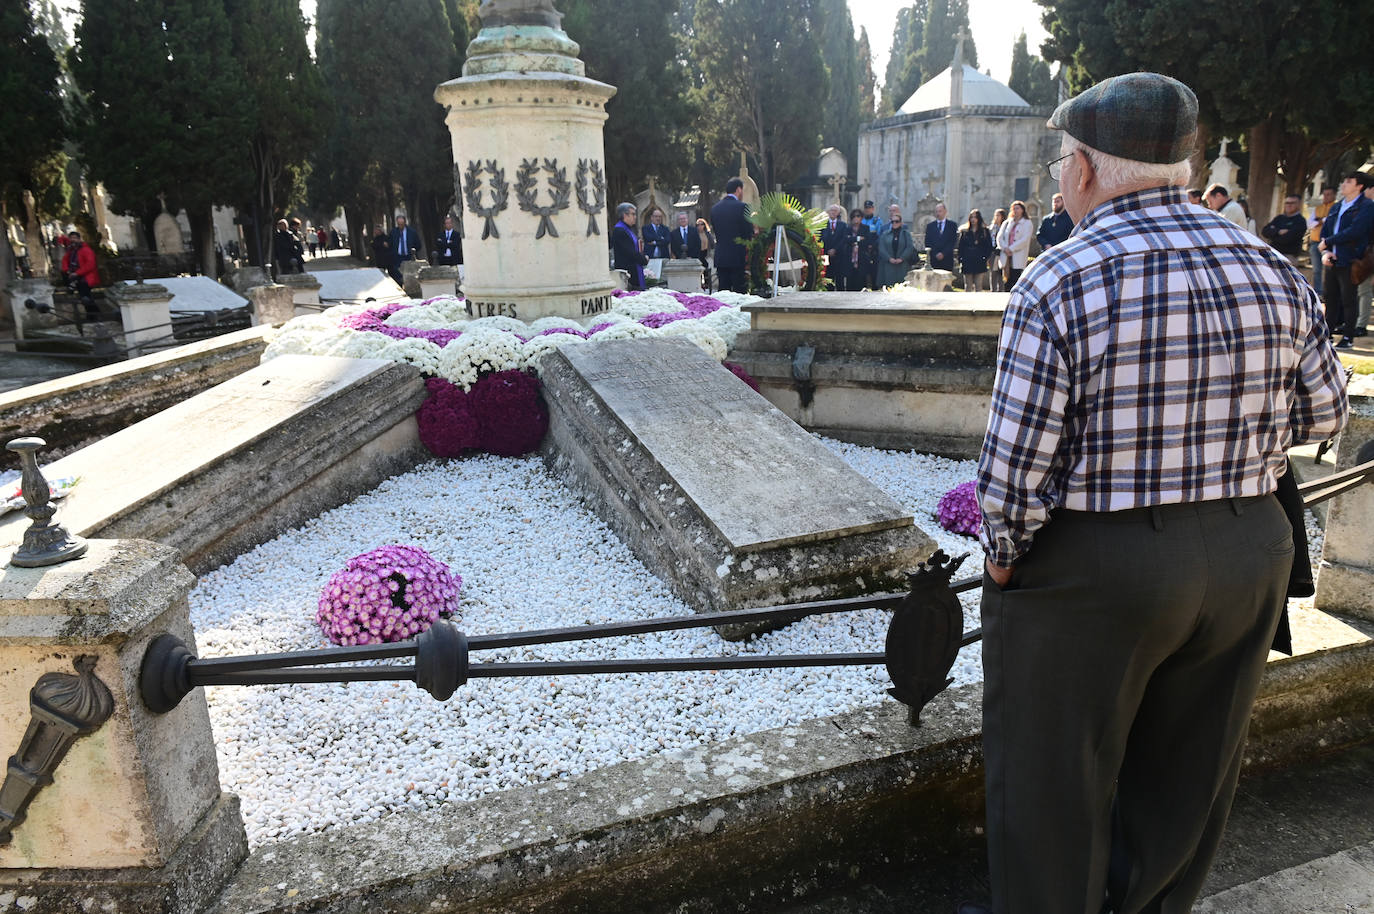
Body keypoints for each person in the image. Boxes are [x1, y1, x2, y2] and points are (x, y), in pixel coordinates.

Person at [964, 71, 1348, 914]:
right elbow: (1324, 412)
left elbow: (1016, 471)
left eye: (1064, 159)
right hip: (1250, 548)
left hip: (1102, 567)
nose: (1061, 176)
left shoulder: (1058, 278)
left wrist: (1001, 563)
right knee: (1190, 775)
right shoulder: (1275, 268)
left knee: (1051, 779)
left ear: (1094, 170)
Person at [1318, 170, 1374, 349]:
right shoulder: (1336, 206)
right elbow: (1326, 231)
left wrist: (1329, 241)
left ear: (1359, 186)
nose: (1344, 184)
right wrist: (1325, 252)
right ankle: (1327, 336)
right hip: (1331, 260)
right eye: (1344, 181)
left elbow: (1356, 231)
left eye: (1349, 181)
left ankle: (1348, 337)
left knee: (1349, 300)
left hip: (1350, 259)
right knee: (1330, 299)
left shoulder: (1366, 206)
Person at [711, 178, 753, 294]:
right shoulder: (743, 207)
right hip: (738, 257)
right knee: (739, 293)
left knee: (723, 294)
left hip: (721, 257)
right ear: (739, 190)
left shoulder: (715, 209)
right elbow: (748, 232)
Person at [61, 230, 100, 318]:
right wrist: (67, 270)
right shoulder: (71, 251)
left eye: (75, 238)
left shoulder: (86, 250)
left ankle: (94, 315)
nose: (73, 240)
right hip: (77, 277)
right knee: (84, 296)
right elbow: (65, 260)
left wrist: (77, 273)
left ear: (79, 239)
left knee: (86, 297)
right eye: (71, 238)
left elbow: (90, 264)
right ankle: (92, 314)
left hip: (86, 278)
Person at [611, 202, 649, 290]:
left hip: (633, 269)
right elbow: (630, 252)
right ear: (625, 215)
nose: (635, 217)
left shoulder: (627, 229)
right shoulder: (620, 230)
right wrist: (643, 259)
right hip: (628, 272)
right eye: (633, 214)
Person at [1307, 186, 1337, 298]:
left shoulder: (1336, 207)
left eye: (1329, 194)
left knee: (1328, 269)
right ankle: (1318, 292)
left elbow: (1329, 220)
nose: (1326, 197)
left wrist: (1319, 221)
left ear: (1334, 195)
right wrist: (1321, 220)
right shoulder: (1318, 208)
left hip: (1328, 242)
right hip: (1315, 242)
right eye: (1324, 194)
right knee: (1316, 270)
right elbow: (1310, 224)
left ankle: (1328, 292)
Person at [995, 200, 1032, 287]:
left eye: (1017, 208)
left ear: (1022, 210)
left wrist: (1011, 248)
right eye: (1014, 208)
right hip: (1006, 254)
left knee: (1015, 278)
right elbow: (999, 237)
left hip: (1017, 254)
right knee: (1006, 280)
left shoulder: (1027, 223)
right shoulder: (1007, 222)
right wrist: (1004, 248)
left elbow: (1025, 239)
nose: (1015, 210)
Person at [1260, 194, 1307, 262]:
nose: (1289, 205)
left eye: (1292, 203)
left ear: (1299, 204)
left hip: (1289, 256)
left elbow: (1287, 239)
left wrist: (1273, 234)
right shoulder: (1279, 218)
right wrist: (1278, 231)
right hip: (1273, 253)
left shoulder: (1300, 221)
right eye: (1287, 203)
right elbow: (1264, 231)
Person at [956, 209, 994, 291]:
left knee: (978, 285)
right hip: (967, 260)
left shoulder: (984, 231)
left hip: (979, 260)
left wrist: (985, 257)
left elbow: (988, 246)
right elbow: (961, 247)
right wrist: (960, 259)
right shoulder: (965, 232)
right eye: (971, 217)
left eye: (975, 217)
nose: (973, 219)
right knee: (968, 285)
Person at [875, 209, 914, 287]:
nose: (894, 223)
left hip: (902, 265)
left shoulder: (906, 234)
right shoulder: (885, 234)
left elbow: (909, 247)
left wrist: (902, 258)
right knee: (888, 286)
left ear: (901, 222)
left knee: (902, 286)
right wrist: (889, 258)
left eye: (897, 221)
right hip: (888, 265)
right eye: (892, 222)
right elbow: (881, 248)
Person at [820, 204, 853, 290]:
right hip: (826, 256)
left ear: (838, 213)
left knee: (839, 279)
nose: (833, 212)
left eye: (835, 210)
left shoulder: (843, 225)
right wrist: (827, 250)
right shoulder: (823, 225)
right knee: (828, 278)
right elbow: (821, 238)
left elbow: (844, 239)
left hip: (839, 256)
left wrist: (835, 249)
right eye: (831, 210)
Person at [925, 203, 958, 272]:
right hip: (934, 260)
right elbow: (928, 242)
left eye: (940, 211)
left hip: (947, 259)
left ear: (945, 212)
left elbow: (952, 241)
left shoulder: (952, 225)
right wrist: (935, 253)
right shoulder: (930, 226)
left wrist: (943, 253)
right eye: (936, 211)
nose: (938, 213)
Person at [849, 208, 877, 291]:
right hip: (850, 260)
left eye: (858, 216)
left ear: (861, 218)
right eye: (854, 216)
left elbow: (867, 242)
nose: (856, 218)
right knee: (850, 284)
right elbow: (846, 240)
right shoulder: (848, 228)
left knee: (861, 282)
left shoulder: (865, 228)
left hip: (861, 259)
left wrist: (853, 240)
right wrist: (858, 238)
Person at [388, 215, 421, 285]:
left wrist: (413, 252)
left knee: (409, 276)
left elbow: (418, 245)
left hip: (409, 257)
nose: (400, 226)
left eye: (402, 224)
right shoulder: (393, 232)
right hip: (397, 258)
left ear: (405, 223)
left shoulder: (412, 232)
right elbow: (390, 245)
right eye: (399, 224)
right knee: (398, 277)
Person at [861, 200, 883, 288]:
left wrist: (872, 246)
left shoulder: (877, 220)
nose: (867, 210)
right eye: (866, 208)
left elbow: (879, 235)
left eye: (869, 208)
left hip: (873, 250)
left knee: (874, 272)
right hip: (863, 249)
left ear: (873, 209)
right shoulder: (861, 220)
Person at [690, 217, 714, 289]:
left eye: (702, 224)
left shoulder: (708, 234)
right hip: (698, 254)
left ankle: (707, 284)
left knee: (706, 268)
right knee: (698, 269)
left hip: (706, 253)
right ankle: (699, 284)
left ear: (704, 225)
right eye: (698, 225)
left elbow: (712, 244)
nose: (700, 226)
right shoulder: (695, 234)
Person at [988, 208, 1008, 292]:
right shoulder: (992, 227)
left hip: (1002, 252)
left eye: (998, 215)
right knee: (993, 271)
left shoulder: (1005, 227)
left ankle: (1001, 289)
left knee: (1001, 272)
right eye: (995, 215)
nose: (996, 217)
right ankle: (993, 289)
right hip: (993, 252)